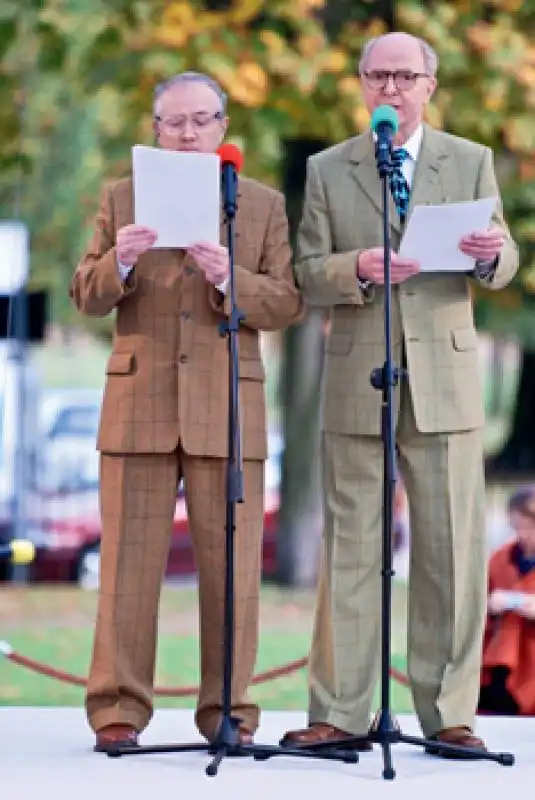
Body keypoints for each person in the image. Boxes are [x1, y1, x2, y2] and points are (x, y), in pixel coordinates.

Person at [280, 32, 519, 757]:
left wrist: (490, 257)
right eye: (377, 75)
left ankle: (448, 714)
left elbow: (505, 257)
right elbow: (306, 271)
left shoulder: (469, 160)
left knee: (448, 546)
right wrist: (356, 265)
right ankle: (338, 712)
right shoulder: (328, 169)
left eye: (403, 75)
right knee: (350, 548)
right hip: (359, 373)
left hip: (443, 377)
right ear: (360, 84)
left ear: (428, 85)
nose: (390, 88)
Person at [69, 71, 303, 753]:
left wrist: (232, 278)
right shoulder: (121, 198)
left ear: (224, 126)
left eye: (202, 119)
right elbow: (85, 293)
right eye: (174, 121)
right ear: (155, 130)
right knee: (126, 573)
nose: (189, 132)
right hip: (138, 406)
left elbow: (286, 303)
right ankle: (117, 710)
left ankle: (228, 712)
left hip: (227, 408)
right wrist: (124, 261)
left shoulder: (260, 206)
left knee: (233, 573)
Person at [479, 487, 535, 716]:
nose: (522, 534)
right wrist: (490, 605)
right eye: (517, 527)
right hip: (499, 657)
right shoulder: (499, 559)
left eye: (529, 527)